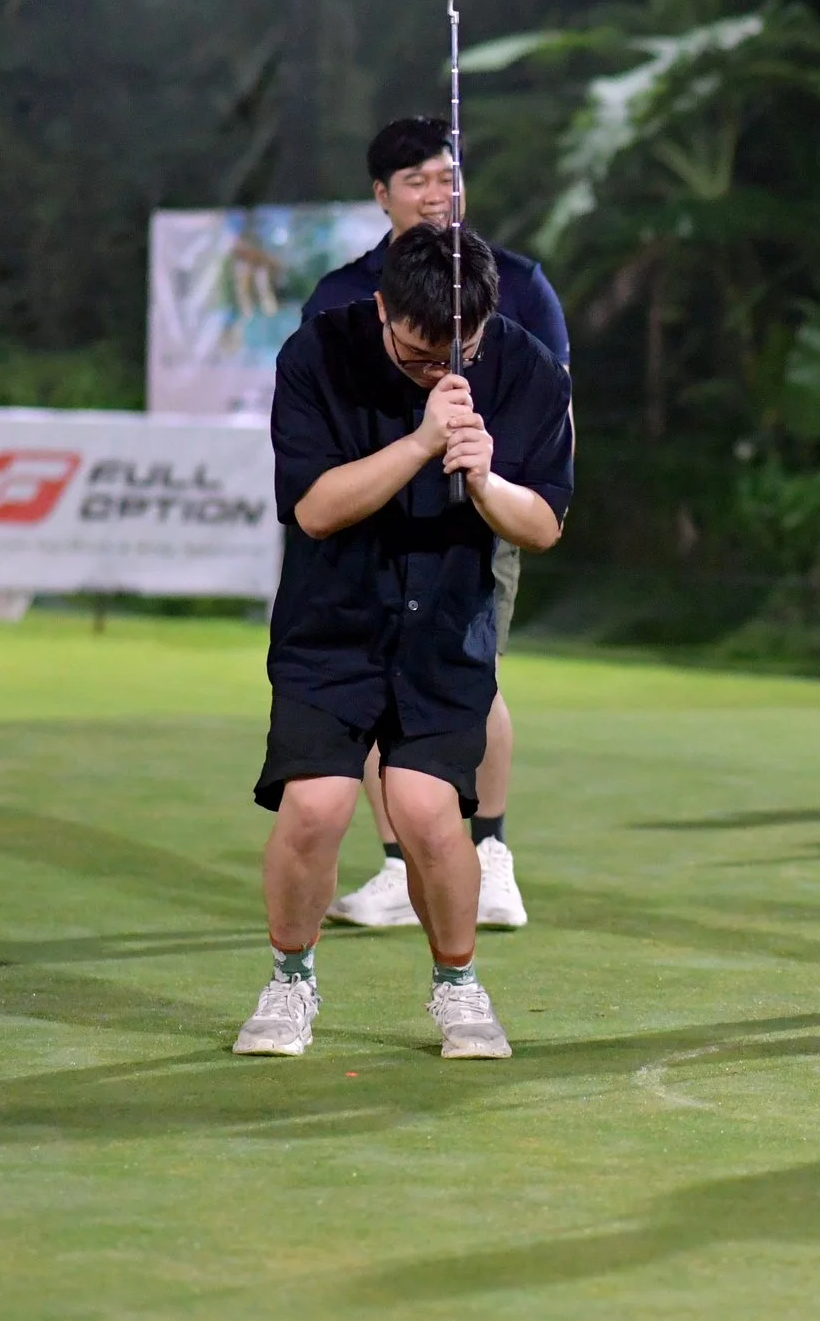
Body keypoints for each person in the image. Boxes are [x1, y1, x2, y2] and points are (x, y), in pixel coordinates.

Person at [233, 222, 574, 1059]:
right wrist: (421, 441)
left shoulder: (526, 367)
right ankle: (289, 981)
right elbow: (313, 506)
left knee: (427, 815)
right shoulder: (317, 355)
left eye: (459, 350)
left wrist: (486, 478)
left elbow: (545, 524)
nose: (442, 369)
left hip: (445, 632)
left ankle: (458, 986)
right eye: (420, 355)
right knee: (316, 808)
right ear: (383, 308)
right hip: (334, 625)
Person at [309, 116, 571, 935]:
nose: (436, 191)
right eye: (415, 179)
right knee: (379, 679)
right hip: (371, 523)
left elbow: (547, 400)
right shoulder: (344, 293)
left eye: (447, 174)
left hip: (476, 513)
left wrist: (487, 464)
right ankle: (399, 863)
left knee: (471, 669)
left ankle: (488, 849)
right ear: (381, 196)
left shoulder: (518, 283)